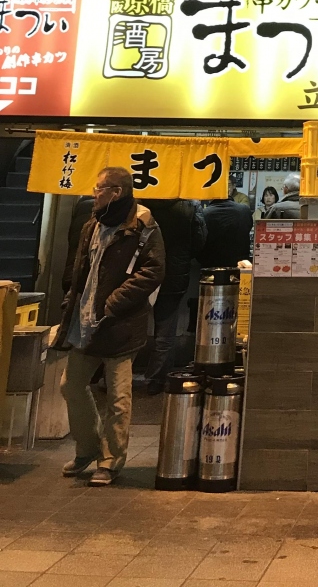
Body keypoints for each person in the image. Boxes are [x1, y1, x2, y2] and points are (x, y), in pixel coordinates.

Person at [55, 166, 165, 485]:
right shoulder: (92, 223)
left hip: (121, 324)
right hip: (85, 321)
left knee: (118, 397)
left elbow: (153, 270)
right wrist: (72, 299)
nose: (94, 194)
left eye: (99, 189)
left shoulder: (142, 224)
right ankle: (88, 447)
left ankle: (110, 460)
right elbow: (81, 268)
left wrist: (114, 302)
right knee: (70, 385)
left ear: (116, 192)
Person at [138, 197, 206, 393]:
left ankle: (115, 378)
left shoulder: (140, 203)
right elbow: (199, 241)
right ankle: (156, 380)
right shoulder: (189, 206)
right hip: (174, 273)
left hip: (142, 272)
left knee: (129, 326)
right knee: (165, 332)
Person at [201, 189, 254, 268]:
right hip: (240, 265)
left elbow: (199, 240)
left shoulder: (204, 214)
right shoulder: (244, 210)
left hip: (211, 265)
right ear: (228, 193)